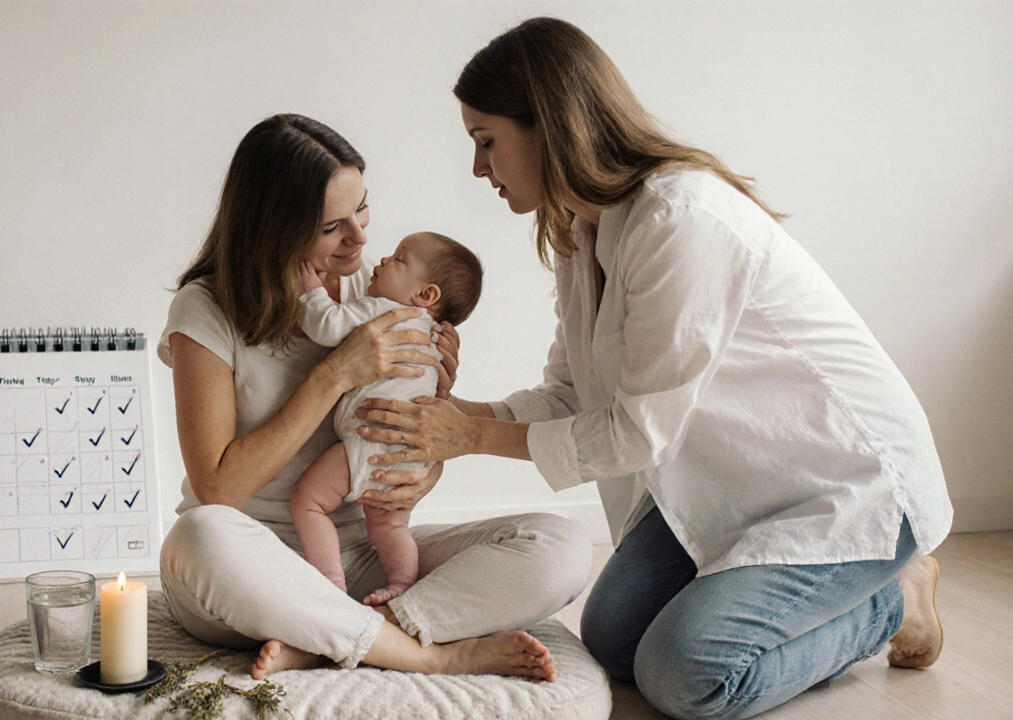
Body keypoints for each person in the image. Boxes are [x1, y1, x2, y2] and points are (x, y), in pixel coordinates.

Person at [353, 18, 953, 720]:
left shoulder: (681, 222)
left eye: (486, 142)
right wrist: (452, 421)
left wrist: (471, 437)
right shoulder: (583, 228)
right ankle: (817, 590)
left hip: (844, 483)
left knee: (687, 675)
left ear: (547, 124)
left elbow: (637, 435)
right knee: (612, 640)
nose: (479, 169)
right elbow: (571, 393)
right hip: (733, 478)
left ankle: (889, 600)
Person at [158, 113, 593, 683]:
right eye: (331, 226)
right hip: (250, 566)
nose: (360, 238)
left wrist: (424, 453)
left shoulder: (376, 289)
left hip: (359, 556)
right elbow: (217, 488)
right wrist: (336, 373)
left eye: (362, 207)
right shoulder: (206, 309)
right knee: (199, 534)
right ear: (274, 229)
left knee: (562, 543)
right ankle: (429, 654)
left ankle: (342, 635)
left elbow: (400, 433)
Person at [292, 231, 484, 608]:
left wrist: (312, 292)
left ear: (425, 295)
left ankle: (331, 585)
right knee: (391, 525)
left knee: (309, 503)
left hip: (371, 440)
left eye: (399, 259)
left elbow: (326, 325)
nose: (381, 260)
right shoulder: (434, 335)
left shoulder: (381, 310)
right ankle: (401, 584)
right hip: (413, 452)